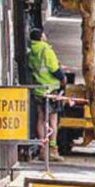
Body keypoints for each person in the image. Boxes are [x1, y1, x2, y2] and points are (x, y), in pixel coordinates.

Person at [28, 28, 67, 161]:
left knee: (41, 118)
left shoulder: (31, 52)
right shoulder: (46, 50)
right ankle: (53, 149)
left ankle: (42, 149)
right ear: (41, 37)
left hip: (39, 90)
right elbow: (54, 69)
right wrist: (63, 79)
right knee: (53, 120)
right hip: (51, 90)